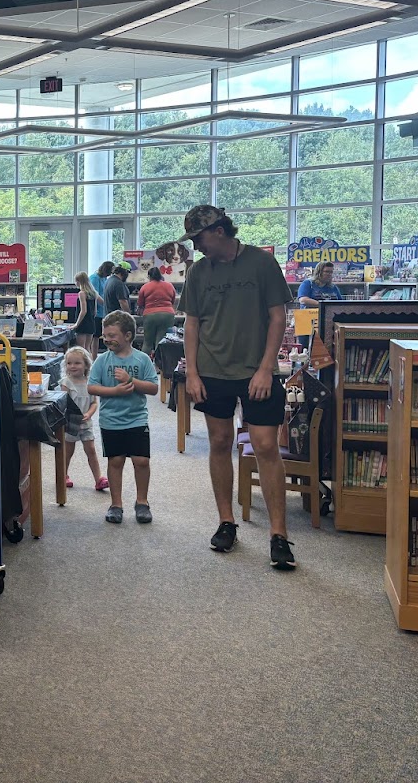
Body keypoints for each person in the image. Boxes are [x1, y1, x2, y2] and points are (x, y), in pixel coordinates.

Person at [178, 205, 298, 571]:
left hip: (256, 372)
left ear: (218, 231)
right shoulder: (199, 271)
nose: (196, 247)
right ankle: (226, 522)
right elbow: (193, 324)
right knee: (218, 442)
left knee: (265, 446)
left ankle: (279, 534)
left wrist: (265, 368)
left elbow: (278, 317)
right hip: (213, 371)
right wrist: (193, 374)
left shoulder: (261, 264)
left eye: (198, 238)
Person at [88, 311, 158, 525]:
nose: (107, 339)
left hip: (137, 418)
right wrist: (115, 392)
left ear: (128, 336)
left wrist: (131, 381)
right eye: (105, 335)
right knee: (116, 461)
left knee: (141, 461)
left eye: (112, 335)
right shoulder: (101, 360)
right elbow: (91, 387)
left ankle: (142, 501)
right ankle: (116, 504)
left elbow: (154, 388)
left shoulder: (142, 359)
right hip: (111, 420)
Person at [60, 346, 107, 492]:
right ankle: (63, 475)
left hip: (86, 423)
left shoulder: (90, 382)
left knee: (91, 450)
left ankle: (99, 479)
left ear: (86, 364)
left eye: (77, 363)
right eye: (69, 363)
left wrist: (89, 414)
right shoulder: (66, 383)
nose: (73, 366)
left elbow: (94, 402)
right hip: (70, 423)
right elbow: (62, 403)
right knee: (68, 451)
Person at [138, 266, 179, 357]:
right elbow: (173, 300)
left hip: (150, 315)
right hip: (167, 314)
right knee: (161, 342)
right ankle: (159, 366)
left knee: (147, 342)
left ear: (149, 276)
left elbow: (140, 303)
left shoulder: (145, 287)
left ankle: (143, 363)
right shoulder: (169, 285)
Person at [73, 271, 100, 356]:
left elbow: (83, 310)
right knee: (88, 348)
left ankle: (84, 367)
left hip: (83, 323)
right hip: (91, 322)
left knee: (81, 349)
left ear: (79, 281)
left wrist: (76, 324)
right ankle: (90, 366)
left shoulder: (82, 293)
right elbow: (95, 311)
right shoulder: (94, 293)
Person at [89, 261, 114, 326]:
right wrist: (106, 304)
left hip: (103, 310)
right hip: (97, 311)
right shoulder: (95, 278)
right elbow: (95, 295)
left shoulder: (105, 278)